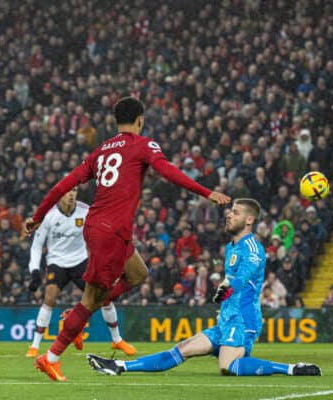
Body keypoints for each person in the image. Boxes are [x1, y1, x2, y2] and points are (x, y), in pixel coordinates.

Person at [25, 97, 230, 381]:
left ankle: (75, 315)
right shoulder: (144, 145)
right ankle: (51, 356)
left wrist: (37, 217)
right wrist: (206, 192)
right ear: (140, 119)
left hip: (104, 227)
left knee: (137, 274)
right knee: (91, 299)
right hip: (109, 230)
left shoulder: (100, 151)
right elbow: (168, 171)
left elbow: (65, 183)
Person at [86, 198, 320, 377]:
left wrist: (227, 288)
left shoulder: (253, 248)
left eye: (235, 213)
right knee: (182, 348)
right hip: (228, 318)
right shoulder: (232, 247)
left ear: (249, 220)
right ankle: (119, 366)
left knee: (228, 367)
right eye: (230, 211)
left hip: (243, 319)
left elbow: (244, 276)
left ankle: (291, 369)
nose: (229, 215)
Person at [26, 187, 136, 358]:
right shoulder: (49, 216)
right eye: (68, 191)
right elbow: (36, 246)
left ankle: (117, 339)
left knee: (103, 296)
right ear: (60, 194)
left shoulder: (86, 211)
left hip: (80, 261)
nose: (71, 194)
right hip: (57, 262)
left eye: (74, 191)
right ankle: (34, 345)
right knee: (50, 297)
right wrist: (34, 271)